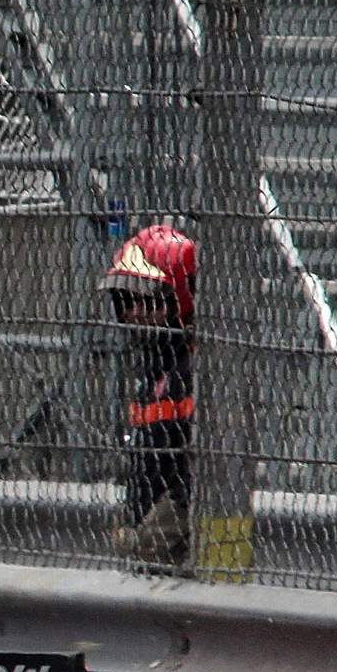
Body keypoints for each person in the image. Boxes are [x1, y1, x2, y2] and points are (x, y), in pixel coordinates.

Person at [101, 224, 196, 568]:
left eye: (147, 301)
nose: (133, 313)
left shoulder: (196, 368)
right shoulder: (155, 366)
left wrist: (151, 534)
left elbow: (194, 470)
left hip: (177, 535)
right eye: (125, 301)